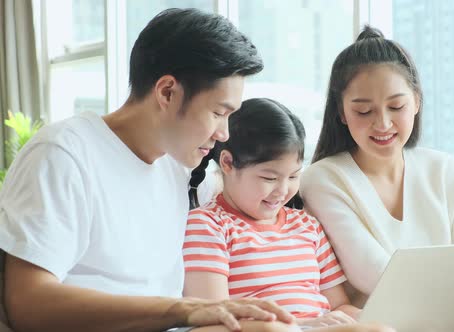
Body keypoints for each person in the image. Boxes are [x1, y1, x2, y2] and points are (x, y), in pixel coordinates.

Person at [0, 8, 296, 332]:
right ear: (167, 92)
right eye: (217, 113)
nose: (224, 133)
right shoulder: (63, 154)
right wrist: (182, 309)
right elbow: (27, 304)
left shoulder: (179, 167)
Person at [299, 26, 454, 332]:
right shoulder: (323, 179)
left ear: (416, 101)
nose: (383, 123)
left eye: (396, 106)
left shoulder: (443, 169)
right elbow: (378, 276)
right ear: (341, 112)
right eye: (364, 111)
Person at [184, 98, 393, 332]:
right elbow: (212, 319)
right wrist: (302, 324)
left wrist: (371, 317)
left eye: (293, 176)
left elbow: (339, 306)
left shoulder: (307, 225)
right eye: (269, 178)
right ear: (228, 163)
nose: (282, 191)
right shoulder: (208, 226)